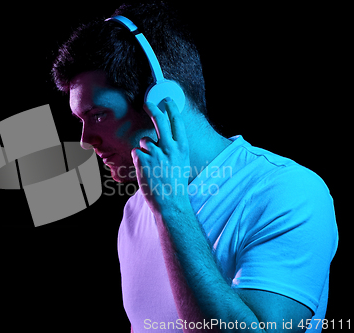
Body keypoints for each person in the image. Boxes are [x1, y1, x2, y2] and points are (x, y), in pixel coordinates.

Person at [52, 2, 338, 332]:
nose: (86, 140)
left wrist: (172, 209)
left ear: (162, 102)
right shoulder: (134, 211)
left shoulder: (289, 192)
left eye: (99, 115)